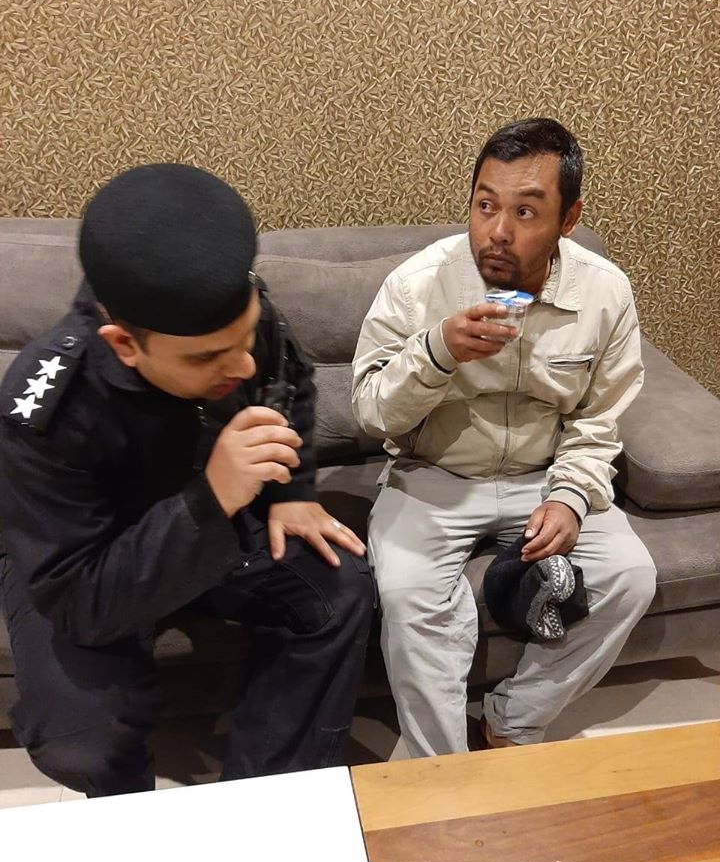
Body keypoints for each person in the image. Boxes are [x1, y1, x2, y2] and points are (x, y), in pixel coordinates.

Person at [0, 163, 375, 796]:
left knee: (339, 585)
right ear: (124, 344)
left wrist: (293, 493)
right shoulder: (47, 409)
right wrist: (210, 498)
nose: (243, 364)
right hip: (97, 565)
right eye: (208, 358)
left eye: (245, 338)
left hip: (217, 531)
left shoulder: (231, 310)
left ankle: (262, 802)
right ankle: (140, 820)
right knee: (83, 739)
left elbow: (288, 381)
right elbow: (80, 603)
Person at [352, 118, 656, 756]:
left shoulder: (605, 292)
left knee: (630, 575)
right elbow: (372, 412)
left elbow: (599, 418)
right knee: (408, 596)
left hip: (543, 475)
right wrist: (437, 351)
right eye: (485, 205)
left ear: (568, 220)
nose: (497, 231)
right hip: (432, 476)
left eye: (525, 211)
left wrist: (570, 497)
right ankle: (442, 768)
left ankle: (513, 721)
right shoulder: (416, 285)